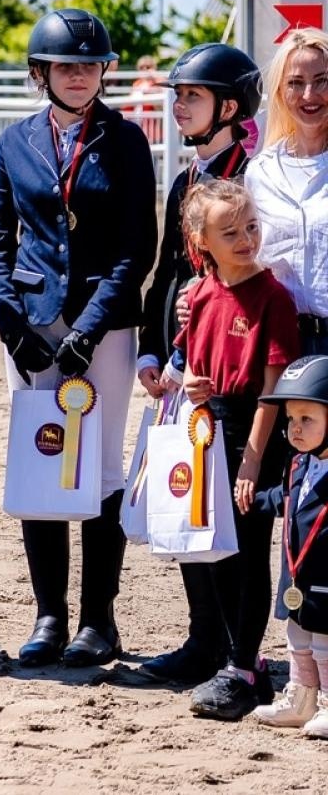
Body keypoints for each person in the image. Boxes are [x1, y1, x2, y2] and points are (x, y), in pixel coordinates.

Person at [0, 9, 157, 668]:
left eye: (89, 65)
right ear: (42, 73)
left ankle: (98, 619)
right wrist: (13, 326)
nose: (79, 74)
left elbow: (137, 247)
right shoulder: (14, 142)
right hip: (31, 322)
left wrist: (88, 329)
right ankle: (49, 615)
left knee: (103, 464)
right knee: (41, 460)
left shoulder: (127, 141)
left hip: (102, 324)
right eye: (66, 65)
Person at [134, 43, 261, 685]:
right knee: (190, 497)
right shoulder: (186, 178)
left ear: (229, 107)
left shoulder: (254, 176)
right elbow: (168, 272)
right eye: (178, 94)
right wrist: (153, 351)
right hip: (182, 366)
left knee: (234, 512)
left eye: (192, 96)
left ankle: (242, 650)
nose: (179, 104)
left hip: (232, 364)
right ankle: (202, 639)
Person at [176, 179, 298, 720]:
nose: (247, 239)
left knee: (248, 548)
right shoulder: (199, 293)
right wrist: (193, 385)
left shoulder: (274, 297)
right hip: (208, 430)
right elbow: (194, 370)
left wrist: (252, 459)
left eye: (251, 226)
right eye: (231, 232)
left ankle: (245, 663)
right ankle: (239, 659)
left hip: (255, 432)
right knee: (216, 549)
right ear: (202, 240)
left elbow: (273, 388)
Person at [252, 354, 328, 736]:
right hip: (297, 574)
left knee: (325, 640)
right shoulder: (298, 463)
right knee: (297, 635)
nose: (295, 429)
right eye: (290, 420)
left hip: (327, 577)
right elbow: (286, 499)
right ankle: (302, 697)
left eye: (307, 419)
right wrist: (253, 500)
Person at [248, 27, 328, 357]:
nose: (309, 94)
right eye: (295, 83)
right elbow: (251, 258)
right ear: (280, 92)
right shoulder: (261, 172)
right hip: (281, 345)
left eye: (322, 80)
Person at [129, 55, 164, 145]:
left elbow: (162, 104)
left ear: (154, 68)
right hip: (138, 125)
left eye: (148, 67)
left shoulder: (159, 81)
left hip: (153, 128)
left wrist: (153, 78)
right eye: (141, 67)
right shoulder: (136, 84)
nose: (145, 69)